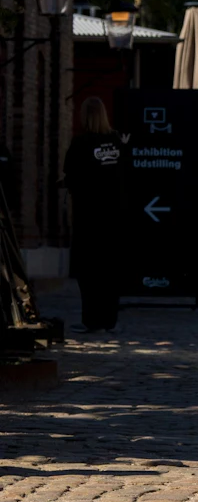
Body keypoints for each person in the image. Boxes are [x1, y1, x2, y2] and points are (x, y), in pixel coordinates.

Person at [62, 97, 126, 333]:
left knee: (88, 271)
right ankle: (109, 319)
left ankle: (91, 319)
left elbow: (70, 173)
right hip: (114, 217)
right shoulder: (117, 141)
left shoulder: (81, 143)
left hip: (89, 218)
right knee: (111, 269)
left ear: (85, 116)